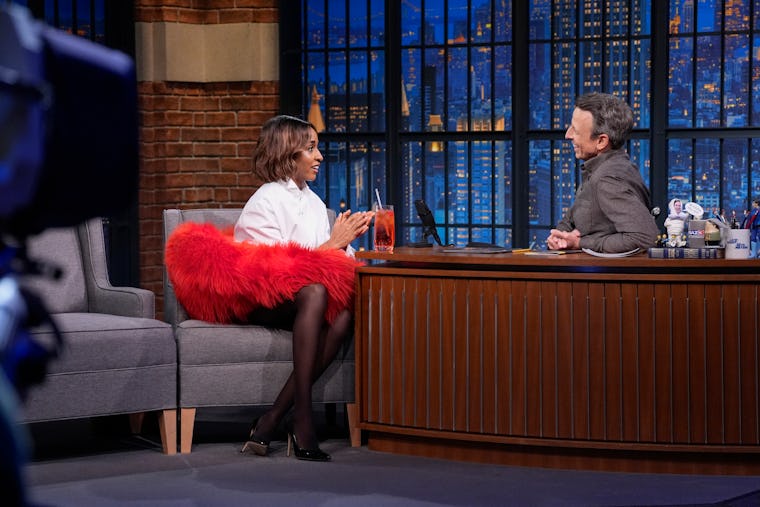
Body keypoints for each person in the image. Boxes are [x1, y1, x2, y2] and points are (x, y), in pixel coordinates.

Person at [233, 115, 374, 461]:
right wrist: (333, 244)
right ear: (288, 152)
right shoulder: (264, 201)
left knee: (343, 312)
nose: (319, 156)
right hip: (262, 298)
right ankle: (303, 417)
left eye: (317, 148)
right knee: (315, 292)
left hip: (304, 300)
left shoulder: (313, 203)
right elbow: (276, 273)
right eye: (311, 148)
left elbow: (330, 263)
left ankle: (274, 418)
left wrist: (344, 243)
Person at [547, 92, 658, 253]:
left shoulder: (607, 178)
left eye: (575, 131)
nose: (568, 135)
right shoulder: (600, 168)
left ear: (601, 141)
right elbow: (574, 216)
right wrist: (560, 237)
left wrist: (580, 243)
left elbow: (644, 237)